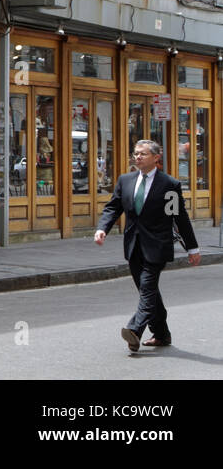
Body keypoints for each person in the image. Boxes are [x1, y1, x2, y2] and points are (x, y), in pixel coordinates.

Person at [94, 139, 201, 351]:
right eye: (135, 153)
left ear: (156, 158)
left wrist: (192, 248)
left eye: (142, 154)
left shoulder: (169, 184)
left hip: (157, 246)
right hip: (133, 245)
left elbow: (179, 217)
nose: (138, 157)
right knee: (148, 291)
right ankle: (162, 334)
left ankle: (134, 330)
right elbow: (113, 207)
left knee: (147, 287)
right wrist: (102, 228)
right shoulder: (125, 180)